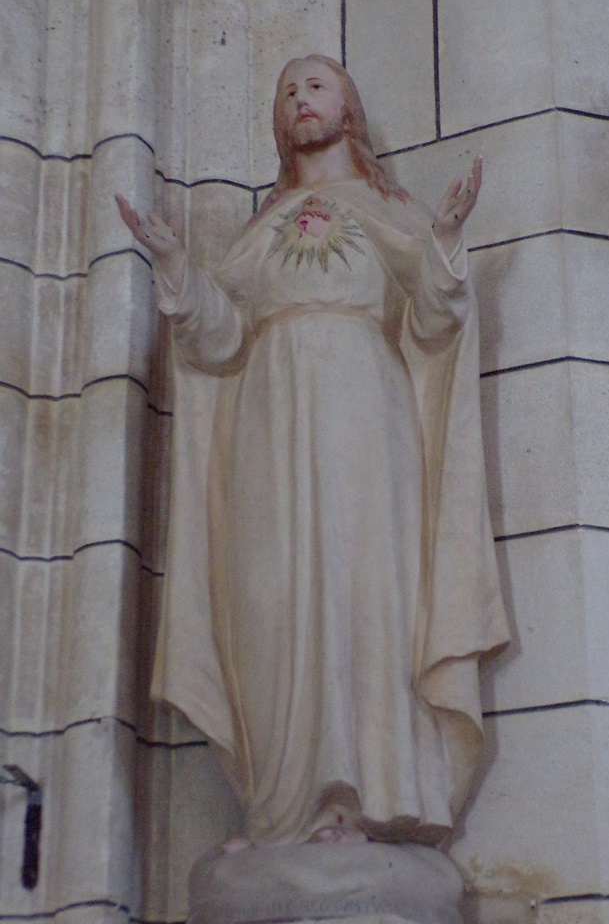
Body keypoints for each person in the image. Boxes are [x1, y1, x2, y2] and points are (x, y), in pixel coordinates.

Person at [116, 55, 509, 850]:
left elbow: (434, 321)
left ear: (349, 110)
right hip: (267, 424)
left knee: (362, 591)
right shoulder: (263, 228)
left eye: (317, 84)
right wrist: (177, 271)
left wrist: (443, 240)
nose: (301, 97)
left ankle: (357, 797)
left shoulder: (382, 208)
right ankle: (280, 805)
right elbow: (220, 339)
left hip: (366, 417)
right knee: (270, 594)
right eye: (288, 89)